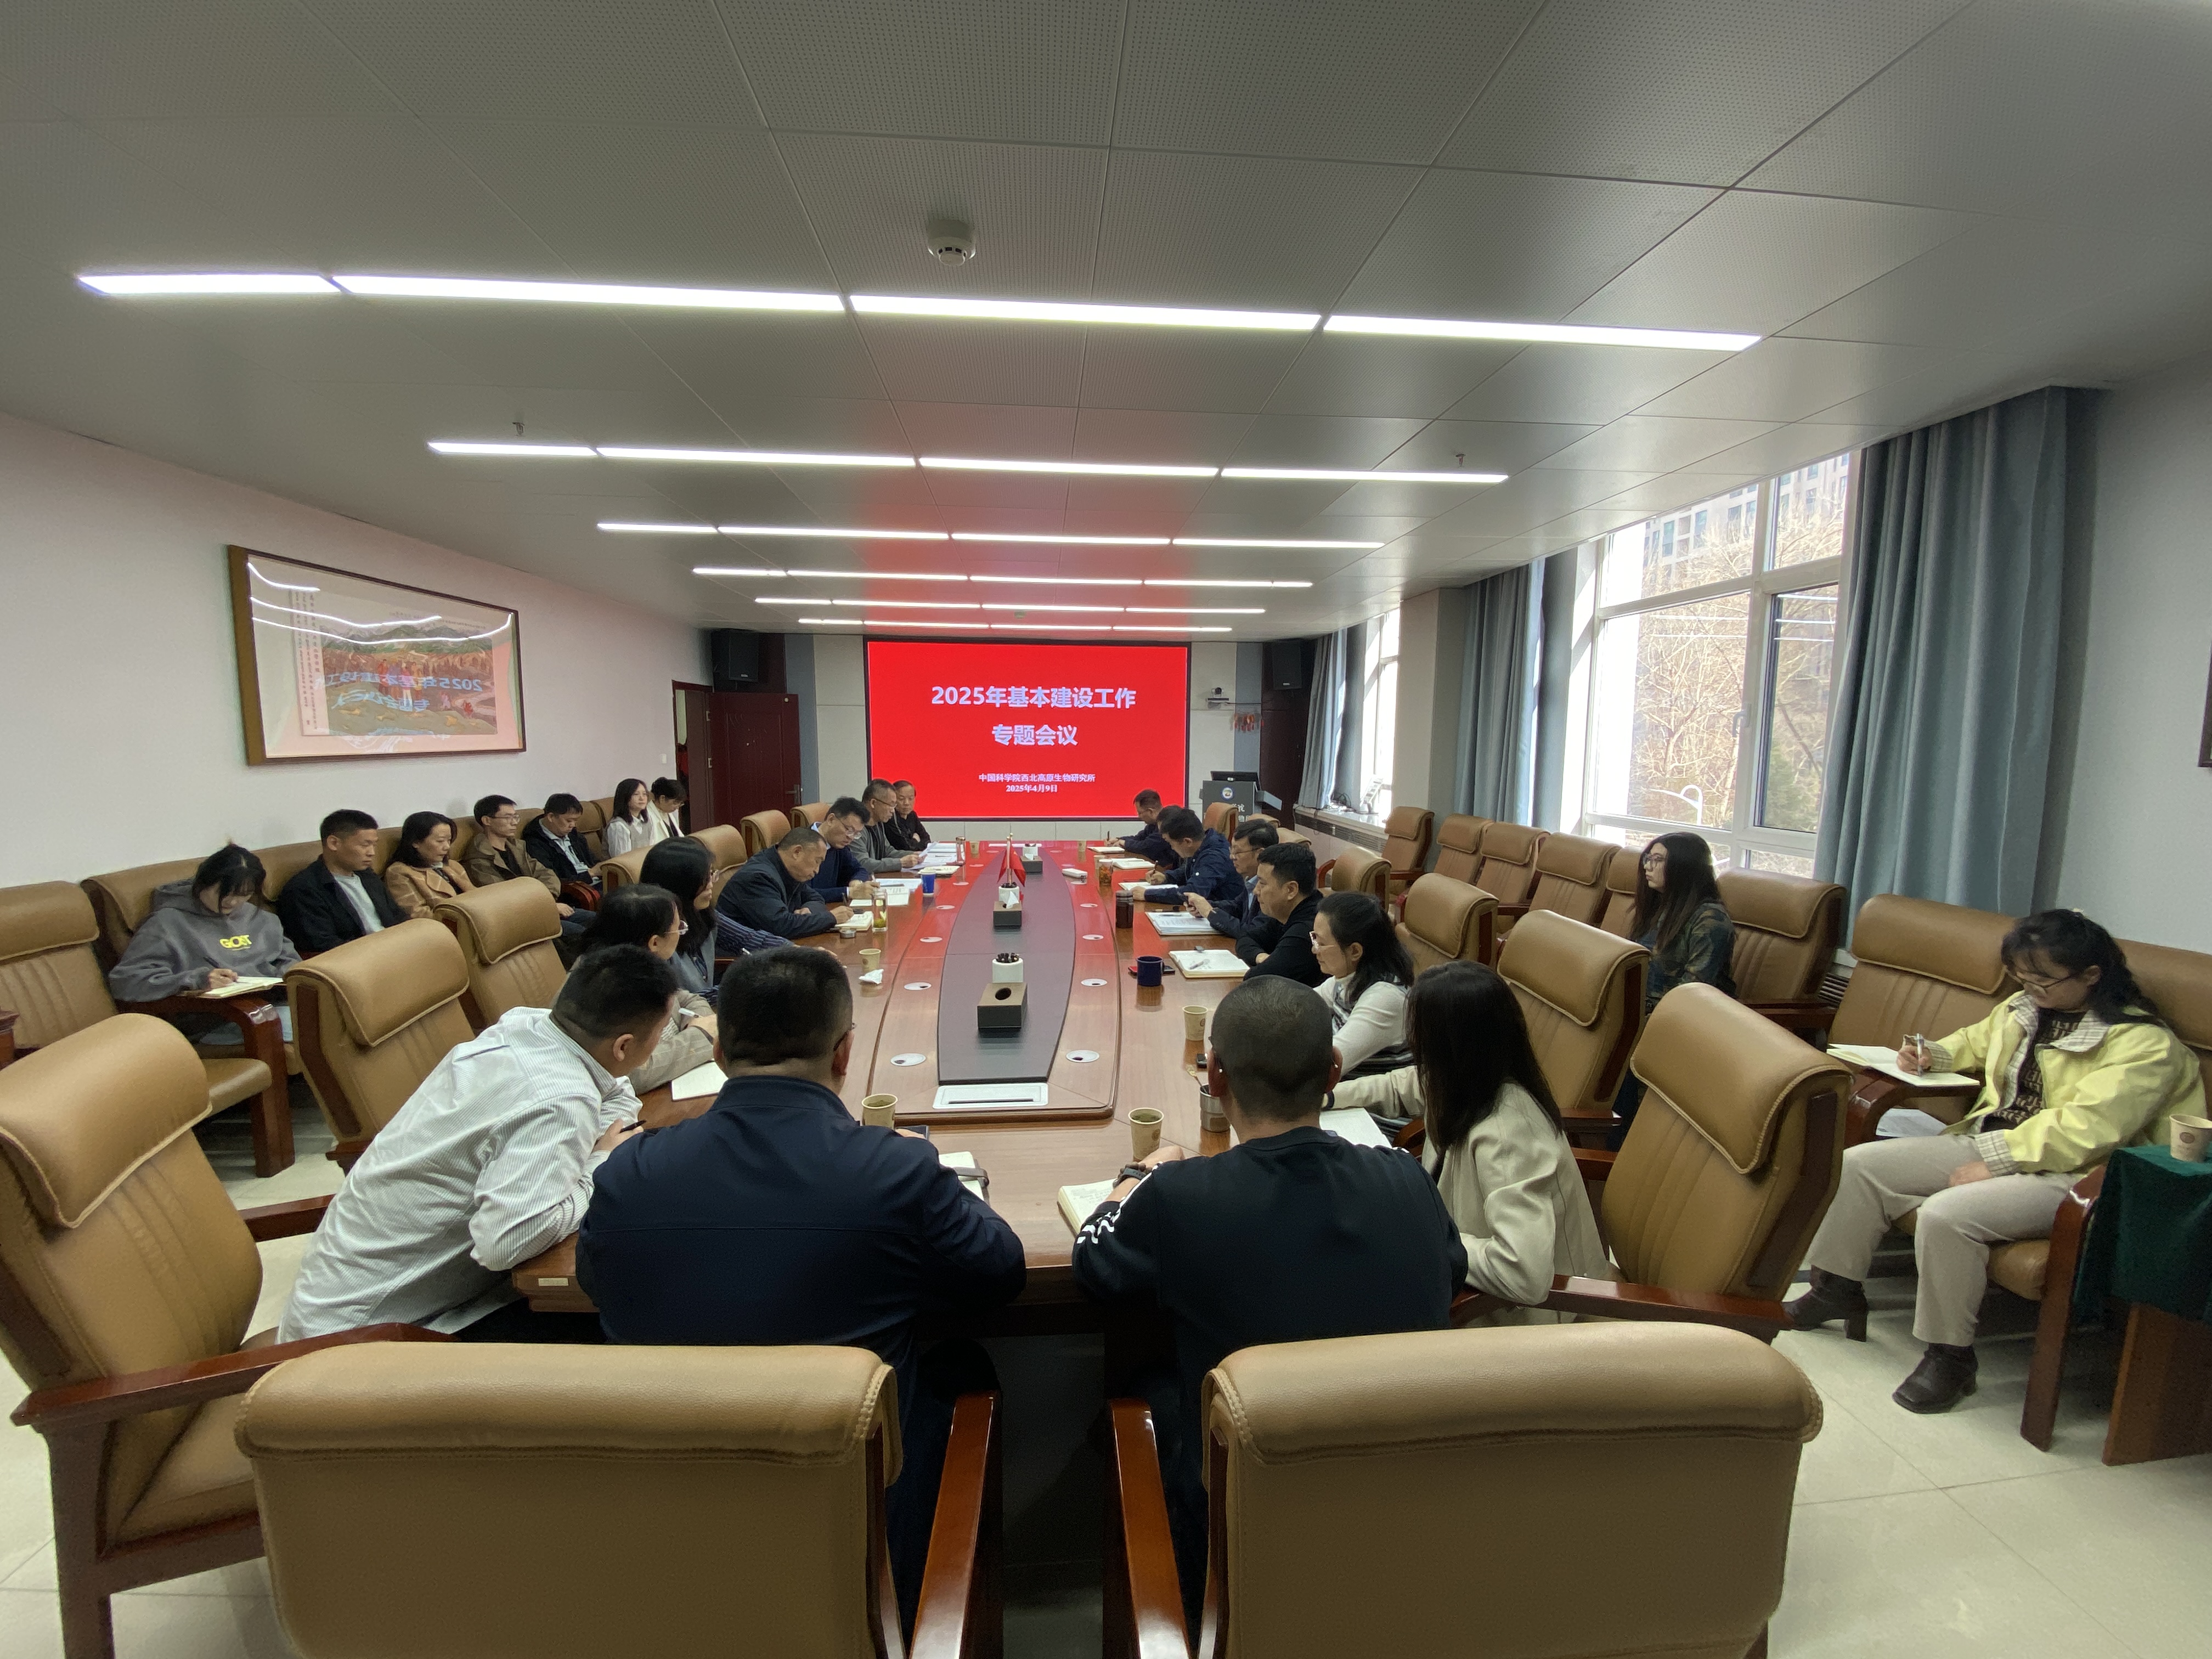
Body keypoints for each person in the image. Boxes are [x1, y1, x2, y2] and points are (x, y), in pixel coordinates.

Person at [579, 949, 1024, 1626]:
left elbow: (599, 1284)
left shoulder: (626, 1173)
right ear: (844, 1053)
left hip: (671, 1507)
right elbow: (999, 1272)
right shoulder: (893, 1170)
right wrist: (938, 1173)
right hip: (853, 1515)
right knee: (962, 1366)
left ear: (720, 1052)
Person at [1071, 975, 1465, 1624]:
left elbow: (1093, 1260)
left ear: (1215, 1075)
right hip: (1406, 1514)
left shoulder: (1179, 1197)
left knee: (1140, 1384)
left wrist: (1136, 1177)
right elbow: (1450, 1272)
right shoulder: (1407, 1179)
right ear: (1333, 1070)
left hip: (1242, 1526)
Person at [1787, 910, 2204, 1413]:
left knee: (1948, 1216)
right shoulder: (2025, 1008)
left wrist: (1997, 1162)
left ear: (2092, 975)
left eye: (2043, 980)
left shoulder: (2144, 1045)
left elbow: (2088, 1129)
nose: (2030, 989)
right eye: (2022, 978)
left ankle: (1951, 1356)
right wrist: (1932, 1055)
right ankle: (1836, 1288)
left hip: (2081, 1173)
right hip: (1996, 1139)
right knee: (1859, 1166)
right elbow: (1974, 1042)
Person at [279, 945, 675, 1345]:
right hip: (364, 1341)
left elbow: (616, 1089)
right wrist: (600, 1163)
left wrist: (597, 1142)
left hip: (390, 1300)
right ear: (623, 1046)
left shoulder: (530, 1026)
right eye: (660, 1035)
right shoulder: (558, 1100)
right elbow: (508, 1243)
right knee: (640, 1313)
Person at [1332, 961, 1609, 1317]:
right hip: (1463, 1274)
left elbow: (1523, 1274)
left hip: (1527, 1321)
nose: (1413, 1042)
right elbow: (1398, 1085)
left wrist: (1431, 1238)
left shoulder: (1509, 1135)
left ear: (1451, 1047)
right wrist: (1325, 1095)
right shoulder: (1465, 1080)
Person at [1609, 832, 1736, 1147]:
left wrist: (1637, 1021)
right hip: (1643, 1011)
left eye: (1658, 860)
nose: (1647, 866)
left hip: (1688, 1021)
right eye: (1647, 858)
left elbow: (1694, 992)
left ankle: (1619, 1143)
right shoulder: (1660, 907)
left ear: (1684, 866)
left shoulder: (1711, 919)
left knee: (1613, 1049)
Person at [108, 845, 301, 1040]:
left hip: (270, 1006)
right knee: (310, 1029)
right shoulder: (167, 923)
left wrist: (288, 975)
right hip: (221, 1019)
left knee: (317, 1016)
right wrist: (196, 980)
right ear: (203, 883)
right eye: (223, 893)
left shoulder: (260, 918)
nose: (233, 902)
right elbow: (126, 981)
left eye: (244, 895)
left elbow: (290, 960)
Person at [572, 885, 717, 1093]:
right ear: (655, 942)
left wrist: (703, 1021)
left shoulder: (641, 966)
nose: (682, 933)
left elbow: (687, 999)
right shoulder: (604, 987)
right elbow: (633, 1074)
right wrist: (701, 1035)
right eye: (679, 928)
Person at [1311, 891, 1415, 1077]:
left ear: (1355, 951)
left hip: (1366, 1094)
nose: (1314, 949)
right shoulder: (1347, 978)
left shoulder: (1385, 999)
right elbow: (1298, 1004)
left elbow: (1331, 1065)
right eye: (1315, 938)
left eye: (1321, 943)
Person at [276, 808, 407, 955]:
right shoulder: (304, 889)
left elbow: (398, 917)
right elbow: (323, 944)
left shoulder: (367, 875)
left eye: (374, 845)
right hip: (361, 957)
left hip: (395, 949)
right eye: (365, 845)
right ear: (334, 843)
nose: (372, 853)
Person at [464, 795, 588, 940]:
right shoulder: (479, 858)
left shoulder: (516, 847)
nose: (514, 822)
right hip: (518, 918)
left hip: (541, 906)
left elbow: (547, 875)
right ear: (487, 821)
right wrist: (545, 905)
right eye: (507, 818)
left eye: (515, 817)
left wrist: (546, 903)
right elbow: (502, 897)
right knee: (581, 933)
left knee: (596, 920)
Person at [718, 825, 848, 939]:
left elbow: (816, 898)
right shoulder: (758, 878)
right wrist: (831, 918)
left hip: (774, 947)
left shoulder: (787, 869)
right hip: (741, 955)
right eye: (817, 861)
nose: (817, 870)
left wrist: (809, 910)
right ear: (797, 852)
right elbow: (781, 926)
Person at [1185, 820, 1280, 960]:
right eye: (1232, 850)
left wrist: (1211, 913)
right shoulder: (1252, 879)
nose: (1231, 857)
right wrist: (1205, 906)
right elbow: (1237, 906)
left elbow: (1252, 932)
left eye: (1238, 852)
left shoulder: (1273, 888)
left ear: (1260, 854)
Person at [638, 836, 721, 996]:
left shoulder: (703, 913)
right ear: (683, 886)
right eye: (705, 880)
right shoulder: (659, 938)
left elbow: (746, 938)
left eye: (711, 875)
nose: (711, 885)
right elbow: (673, 1000)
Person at [1243, 841, 1325, 985]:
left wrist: (1266, 963)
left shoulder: (1307, 930)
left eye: (1262, 883)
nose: (1256, 891)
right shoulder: (1289, 913)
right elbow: (1246, 938)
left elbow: (1256, 978)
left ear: (1291, 890)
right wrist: (1260, 957)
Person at [382, 811, 476, 919]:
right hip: (447, 925)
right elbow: (418, 914)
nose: (447, 847)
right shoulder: (399, 872)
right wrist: (463, 921)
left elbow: (476, 896)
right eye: (440, 841)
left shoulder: (453, 865)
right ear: (416, 842)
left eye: (449, 840)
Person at [1142, 806, 1242, 905]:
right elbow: (1187, 871)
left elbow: (1193, 892)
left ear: (1187, 842)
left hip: (1223, 911)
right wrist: (1166, 877)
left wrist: (1147, 894)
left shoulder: (1214, 856)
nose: (1172, 848)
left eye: (1170, 843)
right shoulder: (1201, 844)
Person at [526, 793, 602, 896]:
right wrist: (591, 874)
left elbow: (593, 861)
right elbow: (554, 882)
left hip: (596, 883)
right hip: (577, 892)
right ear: (551, 817)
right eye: (569, 821)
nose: (573, 825)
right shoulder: (535, 844)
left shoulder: (574, 835)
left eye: (576, 821)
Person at [808, 798, 883, 899]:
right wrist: (849, 892)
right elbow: (804, 894)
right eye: (850, 830)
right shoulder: (805, 846)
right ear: (831, 820)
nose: (851, 838)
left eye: (856, 834)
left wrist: (856, 882)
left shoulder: (839, 845)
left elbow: (860, 869)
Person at [860, 780, 924, 872]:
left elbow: (888, 852)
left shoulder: (878, 824)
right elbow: (863, 864)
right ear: (873, 803)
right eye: (891, 805)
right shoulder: (855, 827)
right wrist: (901, 863)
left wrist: (914, 854)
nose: (893, 811)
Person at [1117, 789, 1173, 867]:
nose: (1139, 816)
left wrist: (1124, 843)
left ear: (1151, 811)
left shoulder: (1167, 823)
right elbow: (1139, 838)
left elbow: (1146, 847)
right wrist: (1118, 839)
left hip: (1166, 869)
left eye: (1140, 813)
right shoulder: (1153, 824)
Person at [603, 777, 654, 856]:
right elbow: (621, 860)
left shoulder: (648, 820)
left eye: (644, 794)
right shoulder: (618, 826)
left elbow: (651, 851)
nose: (642, 798)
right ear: (625, 797)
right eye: (636, 794)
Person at [884, 780, 930, 853]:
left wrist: (915, 843)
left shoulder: (912, 815)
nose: (907, 803)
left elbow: (927, 840)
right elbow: (906, 847)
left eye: (910, 799)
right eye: (901, 799)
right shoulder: (891, 817)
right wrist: (916, 840)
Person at [647, 777, 687, 842]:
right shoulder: (647, 815)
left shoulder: (668, 812)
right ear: (662, 798)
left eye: (680, 804)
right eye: (675, 803)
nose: (677, 808)